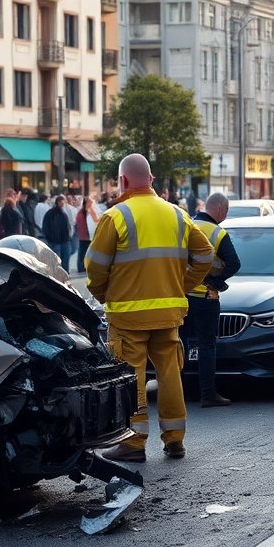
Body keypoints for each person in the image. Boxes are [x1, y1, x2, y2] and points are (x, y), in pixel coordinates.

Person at [88, 154, 213, 462]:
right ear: (152, 180)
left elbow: (94, 266)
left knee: (133, 376)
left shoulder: (116, 216)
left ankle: (133, 442)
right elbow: (206, 254)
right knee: (169, 372)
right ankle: (174, 440)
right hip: (169, 312)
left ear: (123, 181)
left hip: (129, 315)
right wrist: (181, 285)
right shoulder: (177, 215)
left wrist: (103, 294)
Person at [186, 192, 242, 407]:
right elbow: (234, 264)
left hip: (182, 297)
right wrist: (217, 283)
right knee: (206, 346)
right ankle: (208, 394)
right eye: (226, 212)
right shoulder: (217, 232)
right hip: (205, 297)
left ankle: (179, 389)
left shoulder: (187, 226)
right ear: (220, 209)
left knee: (179, 345)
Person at [42, 195, 75, 271]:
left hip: (64, 241)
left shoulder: (64, 213)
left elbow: (68, 226)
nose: (62, 203)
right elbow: (46, 227)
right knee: (57, 260)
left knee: (65, 259)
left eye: (63, 201)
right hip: (55, 241)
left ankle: (65, 274)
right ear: (57, 202)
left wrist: (69, 237)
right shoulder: (50, 214)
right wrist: (49, 238)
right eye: (61, 202)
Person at [75, 196, 100, 274]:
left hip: (85, 236)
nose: (92, 204)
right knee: (85, 253)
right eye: (91, 203)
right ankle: (82, 267)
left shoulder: (83, 212)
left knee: (84, 252)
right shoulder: (86, 212)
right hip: (86, 236)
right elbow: (95, 221)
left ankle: (83, 267)